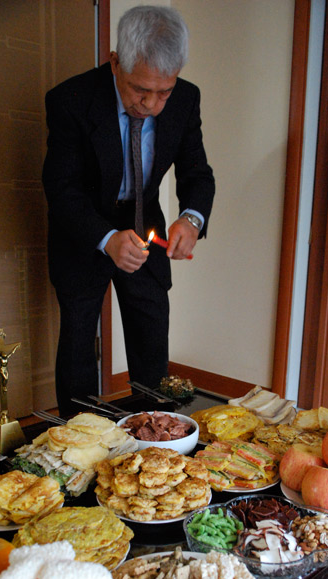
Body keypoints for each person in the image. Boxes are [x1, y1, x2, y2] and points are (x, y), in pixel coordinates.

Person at [42, 5, 215, 417]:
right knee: (80, 341)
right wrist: (105, 239)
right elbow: (61, 188)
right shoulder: (70, 100)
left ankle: (155, 438)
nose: (153, 105)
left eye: (164, 91)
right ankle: (80, 439)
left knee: (152, 337)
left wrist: (191, 219)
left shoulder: (186, 99)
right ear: (115, 62)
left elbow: (197, 172)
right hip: (85, 229)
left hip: (144, 223)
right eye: (141, 89)